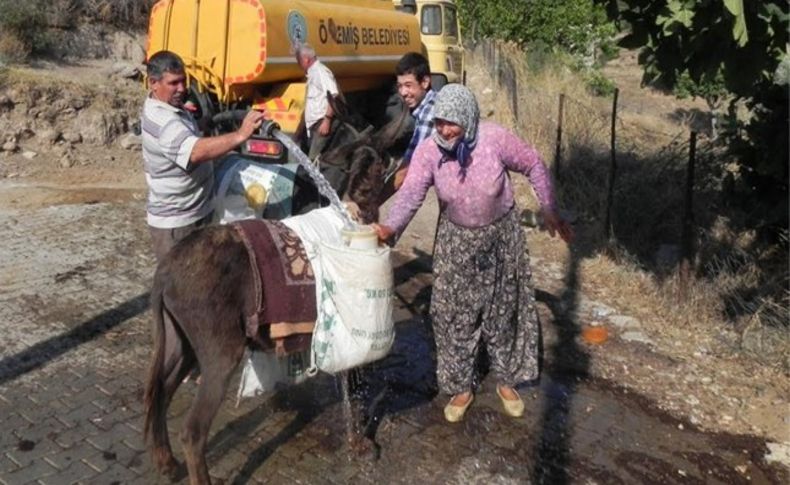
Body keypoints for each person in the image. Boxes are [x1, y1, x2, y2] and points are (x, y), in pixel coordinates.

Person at [373, 84, 573, 423]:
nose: (444, 130)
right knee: (452, 313)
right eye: (438, 122)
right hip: (455, 241)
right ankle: (461, 386)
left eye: (451, 122)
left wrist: (549, 206)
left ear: (467, 117)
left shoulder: (494, 139)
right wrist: (391, 228)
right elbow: (410, 196)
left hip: (501, 238)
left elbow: (534, 163)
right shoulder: (429, 152)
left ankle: (506, 381)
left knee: (503, 309)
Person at [142, 50, 265, 262]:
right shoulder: (163, 121)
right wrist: (241, 134)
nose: (182, 89)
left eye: (183, 81)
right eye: (174, 83)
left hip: (197, 212)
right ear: (153, 83)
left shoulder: (172, 109)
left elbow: (182, 136)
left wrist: (198, 124)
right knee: (184, 290)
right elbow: (196, 152)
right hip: (177, 224)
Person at [385, 52, 437, 196]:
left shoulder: (430, 113)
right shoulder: (429, 104)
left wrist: (372, 205)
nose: (403, 92)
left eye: (408, 85)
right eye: (400, 86)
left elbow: (408, 169)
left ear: (425, 82)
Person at [296, 44, 340, 160]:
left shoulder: (320, 71)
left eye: (298, 60)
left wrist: (327, 120)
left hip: (321, 123)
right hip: (315, 125)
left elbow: (333, 95)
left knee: (313, 161)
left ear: (306, 59)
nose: (298, 64)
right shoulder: (312, 73)